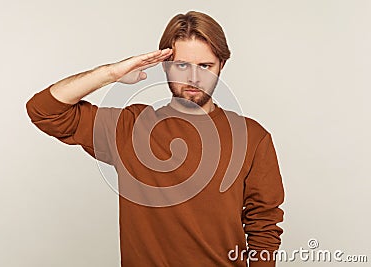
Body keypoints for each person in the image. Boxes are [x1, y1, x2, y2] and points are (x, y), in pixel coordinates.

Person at [26, 10, 284, 267]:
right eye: (182, 65)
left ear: (221, 66)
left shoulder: (251, 137)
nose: (194, 78)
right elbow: (44, 111)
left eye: (205, 66)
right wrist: (110, 73)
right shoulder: (131, 127)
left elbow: (264, 226)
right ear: (165, 65)